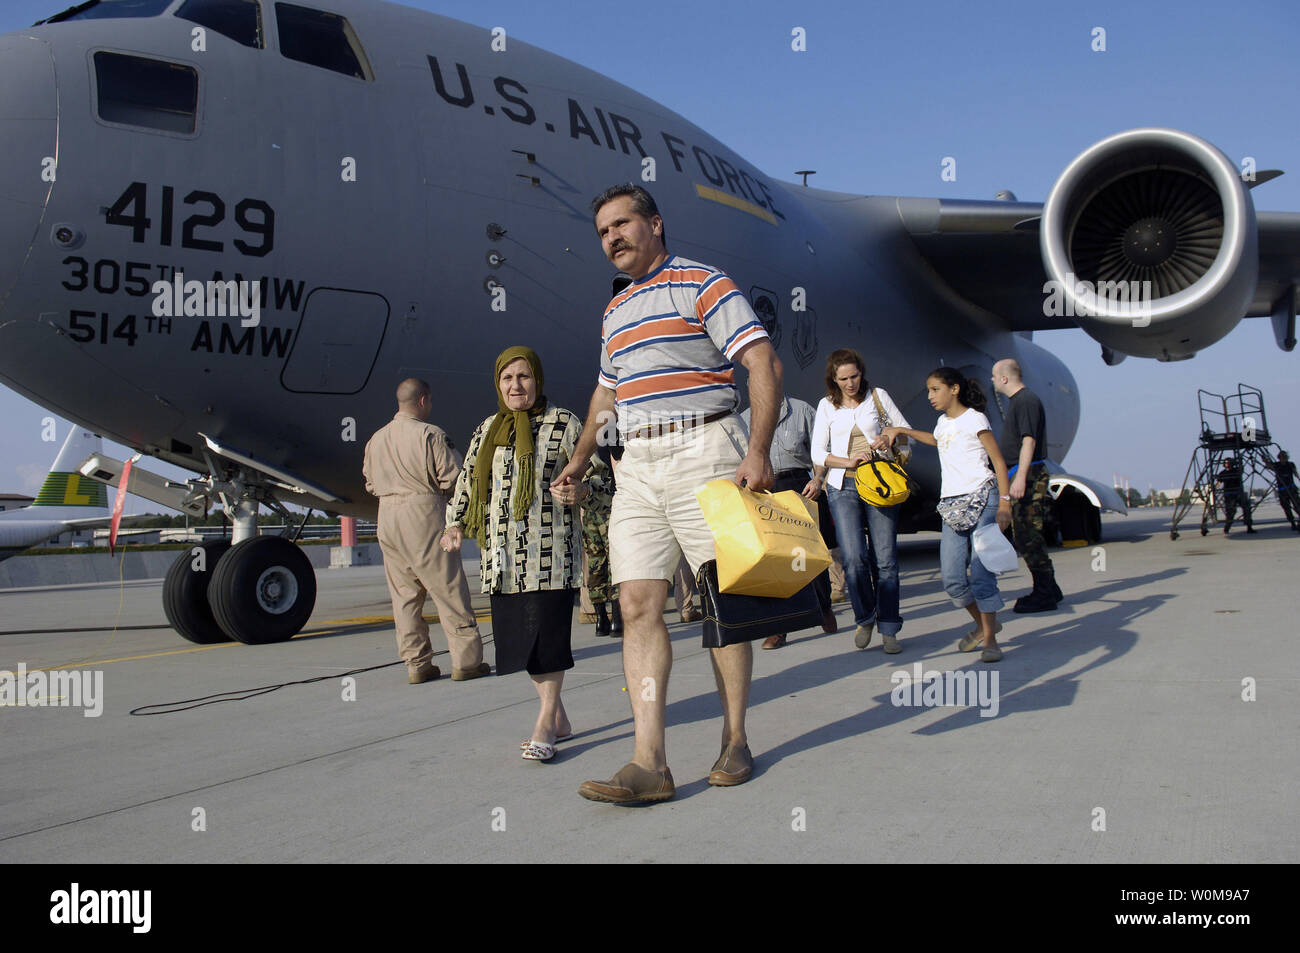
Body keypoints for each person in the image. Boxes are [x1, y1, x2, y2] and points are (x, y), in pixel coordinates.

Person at [553, 183, 782, 804]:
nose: (612, 238)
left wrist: (758, 450)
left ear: (655, 224)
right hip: (636, 464)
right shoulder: (615, 311)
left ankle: (735, 737)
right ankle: (648, 761)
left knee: (721, 601)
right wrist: (579, 459)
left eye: (622, 224)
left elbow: (761, 361)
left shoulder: (702, 283)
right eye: (603, 231)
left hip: (705, 448)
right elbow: (607, 396)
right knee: (635, 605)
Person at [443, 346, 609, 761]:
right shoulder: (487, 430)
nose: (516, 386)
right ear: (498, 385)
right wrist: (454, 524)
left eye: (523, 377)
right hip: (500, 558)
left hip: (549, 555)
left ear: (537, 379)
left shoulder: (565, 424)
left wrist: (582, 491)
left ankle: (545, 723)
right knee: (521, 645)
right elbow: (467, 483)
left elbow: (601, 479)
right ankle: (561, 717)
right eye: (507, 379)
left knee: (547, 641)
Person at [363, 378, 488, 685]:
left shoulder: (376, 439)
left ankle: (417, 664)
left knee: (404, 595)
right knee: (447, 588)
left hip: (387, 517)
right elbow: (453, 478)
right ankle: (466, 661)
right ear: (423, 401)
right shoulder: (431, 435)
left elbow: (369, 483)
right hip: (423, 513)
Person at [882, 367, 1012, 663]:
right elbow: (936, 440)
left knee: (981, 575)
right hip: (951, 504)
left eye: (935, 389)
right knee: (953, 579)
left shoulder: (975, 418)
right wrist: (901, 430)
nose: (930, 396)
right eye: (928, 390)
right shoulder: (942, 423)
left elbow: (998, 461)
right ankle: (982, 624)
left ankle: (990, 641)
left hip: (983, 498)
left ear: (954, 389)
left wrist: (1005, 504)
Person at [810, 349, 911, 653]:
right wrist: (847, 461)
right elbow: (817, 453)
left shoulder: (878, 396)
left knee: (886, 559)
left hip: (879, 481)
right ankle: (865, 617)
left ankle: (890, 627)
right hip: (843, 485)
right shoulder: (827, 406)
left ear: (861, 374)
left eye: (854, 376)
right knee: (854, 559)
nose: (850, 383)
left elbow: (906, 434)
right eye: (844, 379)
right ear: (834, 379)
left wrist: (889, 437)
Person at [744, 394, 839, 649]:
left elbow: (822, 450)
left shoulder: (802, 410)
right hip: (765, 492)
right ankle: (779, 628)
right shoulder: (745, 420)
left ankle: (824, 609)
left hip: (800, 486)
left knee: (810, 557)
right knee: (776, 563)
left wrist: (818, 479)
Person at [991, 359, 1063, 612]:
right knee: (1025, 534)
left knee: (1027, 535)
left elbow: (1029, 441)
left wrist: (1020, 477)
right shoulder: (1020, 402)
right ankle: (1050, 588)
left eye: (994, 376)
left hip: (1029, 474)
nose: (991, 381)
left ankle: (1045, 592)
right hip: (1022, 472)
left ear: (1004, 378)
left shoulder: (1026, 401)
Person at [1215, 457, 1255, 534]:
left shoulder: (1236, 471)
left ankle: (1249, 527)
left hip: (1238, 493)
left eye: (1229, 463)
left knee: (1246, 508)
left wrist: (1240, 462)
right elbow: (1219, 482)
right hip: (1229, 495)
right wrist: (1214, 488)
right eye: (1227, 463)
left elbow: (1241, 470)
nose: (1228, 464)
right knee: (1231, 512)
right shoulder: (1222, 473)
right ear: (1224, 464)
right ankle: (1227, 528)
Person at [1273, 450, 1299, 531]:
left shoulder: (1290, 464)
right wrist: (1265, 460)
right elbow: (1269, 465)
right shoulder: (1276, 465)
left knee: (1298, 505)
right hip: (1282, 490)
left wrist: (1297, 477)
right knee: (1286, 507)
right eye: (1282, 457)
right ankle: (1292, 523)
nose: (1284, 459)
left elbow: (1295, 473)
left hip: (1291, 489)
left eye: (1285, 457)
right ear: (1279, 458)